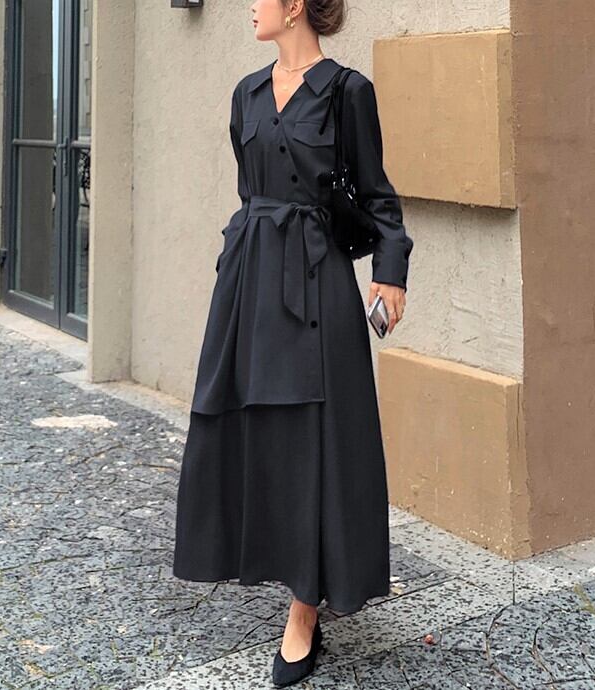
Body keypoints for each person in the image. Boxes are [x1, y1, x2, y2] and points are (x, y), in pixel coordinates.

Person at [173, 0, 413, 685]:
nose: (251, 6)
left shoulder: (347, 92)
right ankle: (264, 555)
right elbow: (250, 190)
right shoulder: (246, 94)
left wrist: (389, 274)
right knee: (249, 426)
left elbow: (379, 197)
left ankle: (304, 611)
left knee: (316, 438)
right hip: (250, 282)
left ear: (296, 6)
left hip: (317, 283)